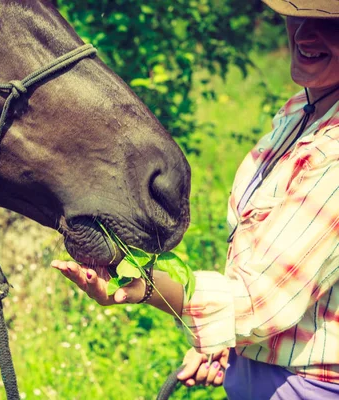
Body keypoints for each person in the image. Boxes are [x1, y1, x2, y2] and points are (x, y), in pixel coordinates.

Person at [51, 1, 339, 398]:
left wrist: (137, 275)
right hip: (262, 372)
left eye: (332, 25)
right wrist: (230, 344)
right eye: (300, 15)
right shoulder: (302, 111)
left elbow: (258, 299)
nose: (306, 35)